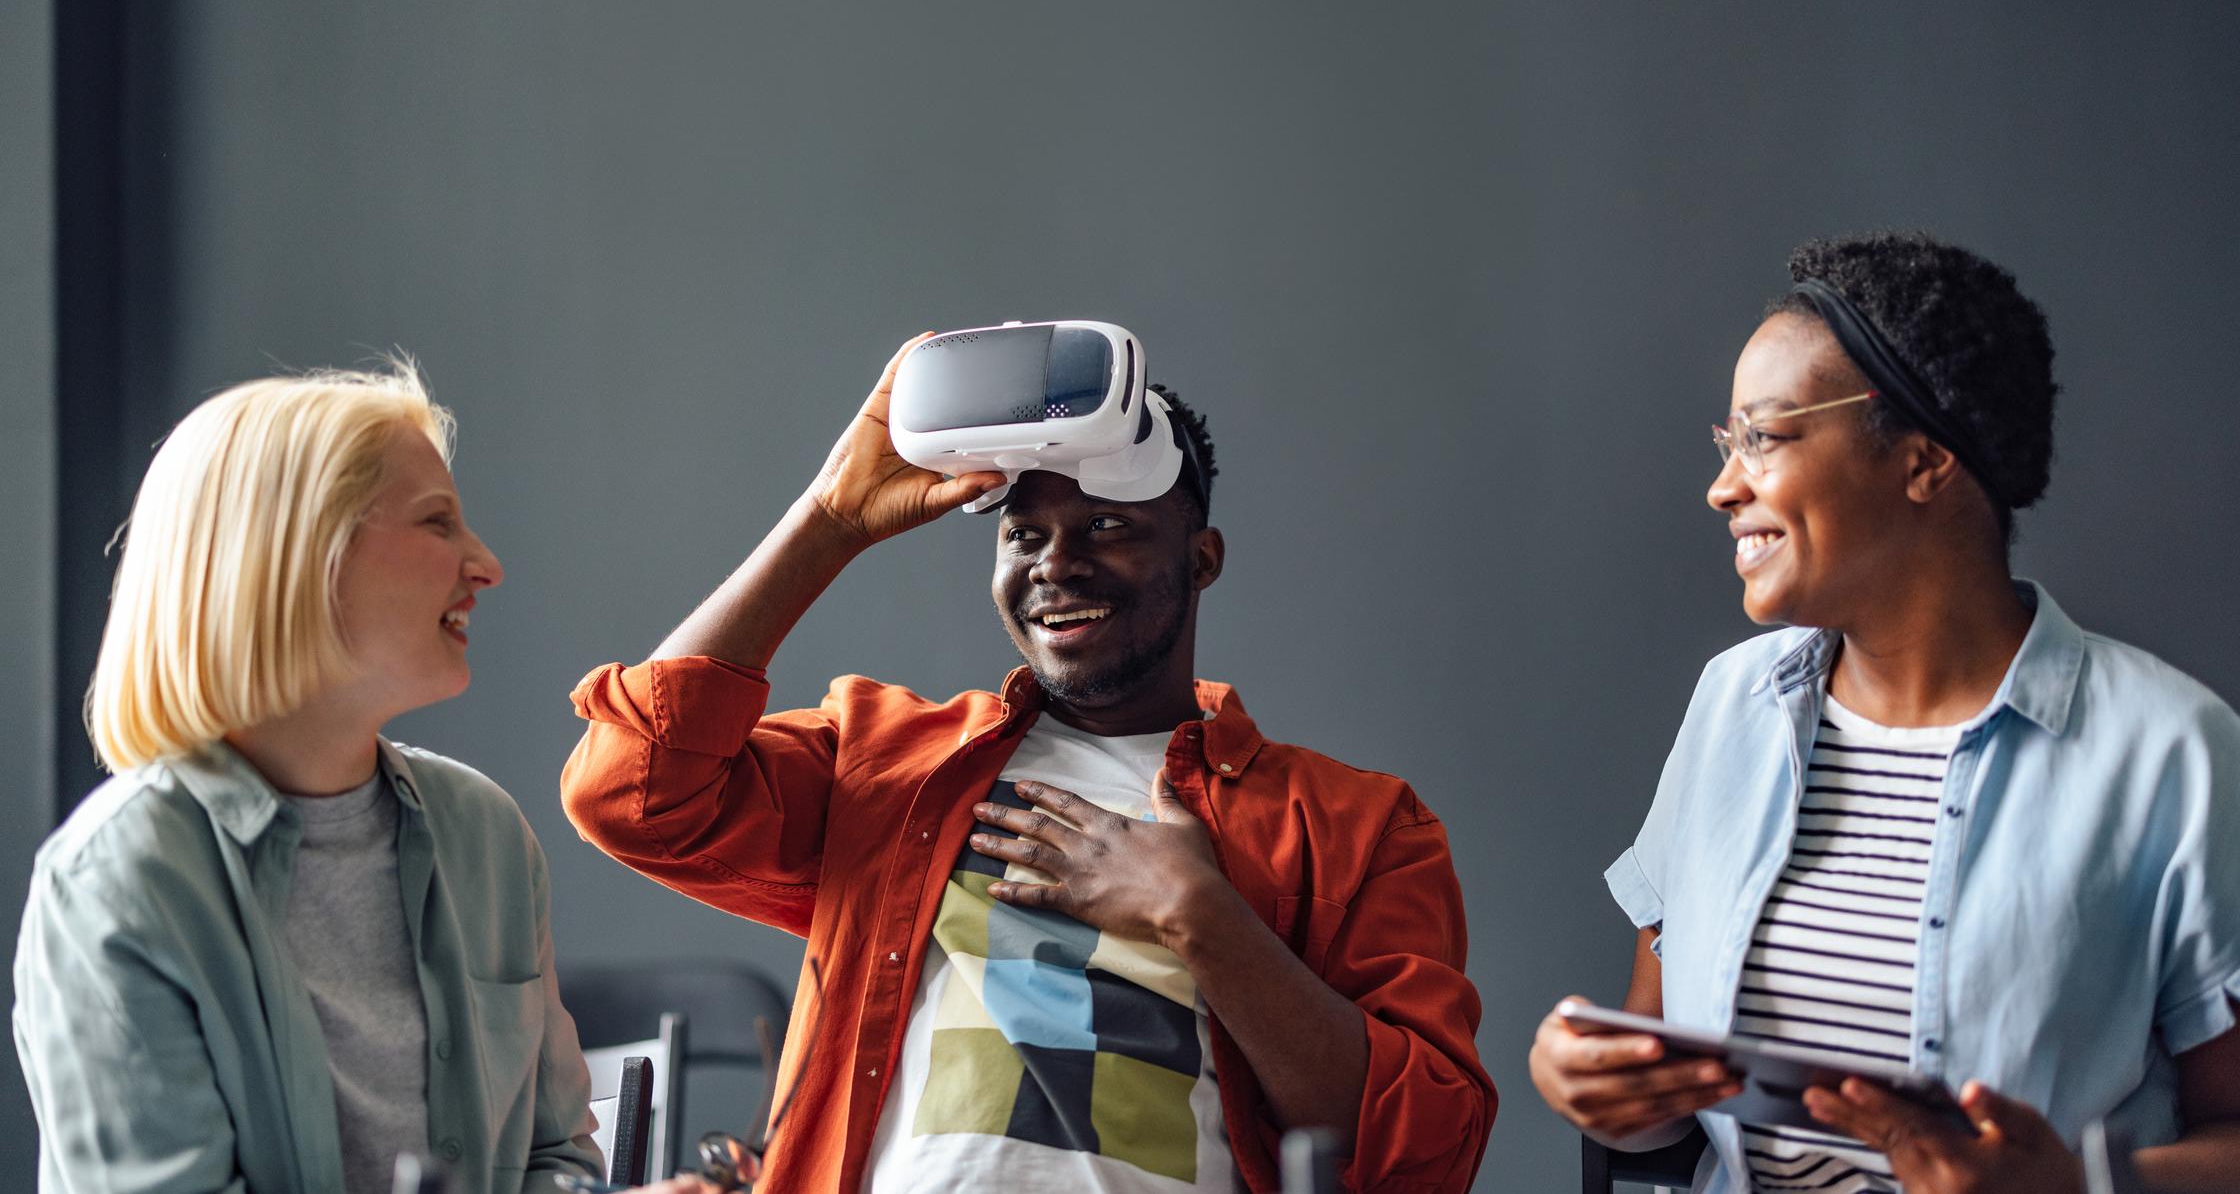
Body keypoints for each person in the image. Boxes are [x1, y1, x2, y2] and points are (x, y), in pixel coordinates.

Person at [559, 340, 1495, 1192]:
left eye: (1108, 526)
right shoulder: (885, 759)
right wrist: (830, 519)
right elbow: (630, 792)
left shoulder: (1359, 826)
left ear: (1202, 559)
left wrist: (1200, 915)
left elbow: (1428, 1150)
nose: (1056, 564)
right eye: (1024, 534)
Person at [1528, 232, 2240, 1192]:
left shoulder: (2173, 757)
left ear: (1923, 460)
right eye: (1727, 442)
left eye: (1764, 437)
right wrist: (1599, 1089)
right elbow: (1665, 1092)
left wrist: (2076, 1188)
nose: (1723, 487)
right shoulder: (1733, 706)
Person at [13, 364, 706, 1194]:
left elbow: (552, 1159)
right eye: (437, 521)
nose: (487, 565)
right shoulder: (119, 884)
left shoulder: (485, 837)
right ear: (295, 559)